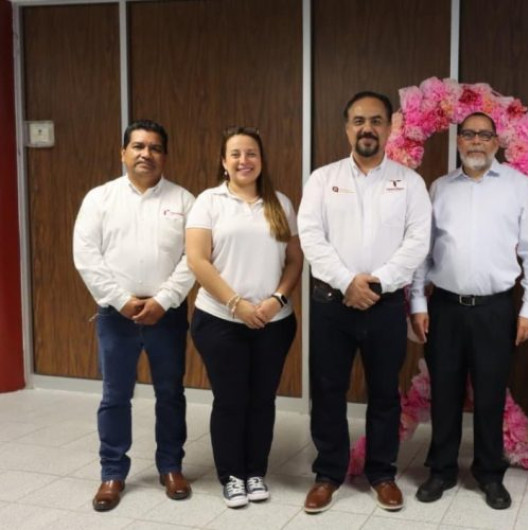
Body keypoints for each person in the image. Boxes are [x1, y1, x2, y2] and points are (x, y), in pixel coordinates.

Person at [298, 91, 431, 513]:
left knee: (384, 394)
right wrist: (346, 282)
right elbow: (311, 237)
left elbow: (417, 242)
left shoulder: (410, 182)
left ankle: (382, 472)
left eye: (376, 120)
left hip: (385, 305)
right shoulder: (322, 178)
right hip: (330, 304)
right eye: (359, 120)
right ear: (347, 127)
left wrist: (377, 284)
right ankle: (328, 473)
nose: (367, 128)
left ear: (390, 128)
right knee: (328, 390)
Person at [409, 112, 528, 510]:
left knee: (490, 394)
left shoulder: (518, 187)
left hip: (496, 310)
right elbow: (422, 250)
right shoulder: (439, 188)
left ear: (497, 143)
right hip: (445, 308)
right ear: (458, 142)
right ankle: (441, 470)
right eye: (468, 134)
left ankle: (489, 474)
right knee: (444, 393)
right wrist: (417, 302)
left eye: (484, 135)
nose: (476, 142)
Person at [73, 120, 195, 512]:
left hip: (167, 314)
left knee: (171, 394)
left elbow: (193, 259)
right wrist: (121, 300)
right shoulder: (100, 199)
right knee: (114, 396)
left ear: (165, 156)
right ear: (123, 153)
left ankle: (171, 466)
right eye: (138, 146)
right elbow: (86, 256)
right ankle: (112, 472)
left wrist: (164, 299)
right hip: (116, 314)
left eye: (155, 147)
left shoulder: (184, 200)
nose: (146, 153)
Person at [185, 127, 301, 508]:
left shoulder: (280, 202)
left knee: (263, 399)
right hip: (220, 320)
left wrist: (276, 299)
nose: (243, 161)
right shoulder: (208, 202)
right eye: (235, 154)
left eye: (251, 153)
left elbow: (295, 259)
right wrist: (237, 304)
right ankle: (232, 475)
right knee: (231, 399)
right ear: (224, 161)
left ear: (261, 160)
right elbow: (198, 260)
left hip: (274, 321)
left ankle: (255, 472)